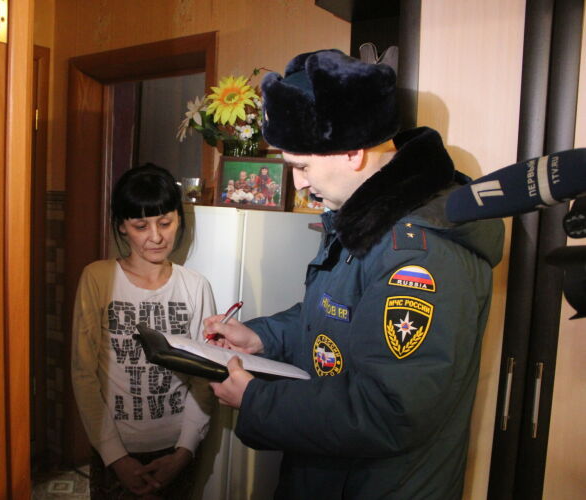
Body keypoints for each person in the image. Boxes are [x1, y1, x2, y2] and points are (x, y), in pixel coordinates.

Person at [203, 49, 504, 499]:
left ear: (352, 152)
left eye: (302, 167)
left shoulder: (420, 254)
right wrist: (261, 337)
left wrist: (256, 400)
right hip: (329, 474)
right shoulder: (367, 215)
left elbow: (390, 410)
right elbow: (337, 317)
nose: (299, 184)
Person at [72, 163, 216, 499]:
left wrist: (184, 451)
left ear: (179, 219)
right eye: (141, 226)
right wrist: (115, 457)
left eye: (165, 223)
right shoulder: (97, 278)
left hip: (177, 447)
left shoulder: (195, 286)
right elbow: (83, 373)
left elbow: (205, 376)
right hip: (115, 447)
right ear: (122, 226)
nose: (156, 237)